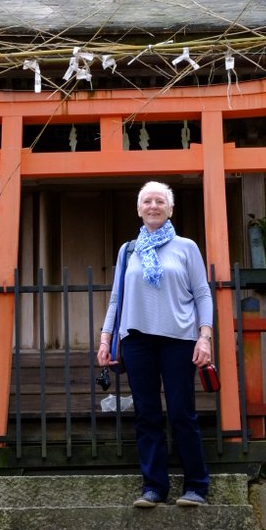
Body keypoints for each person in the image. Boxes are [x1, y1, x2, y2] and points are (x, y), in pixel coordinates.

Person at [97, 181, 213, 508]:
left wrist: (205, 337)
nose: (153, 206)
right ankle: (154, 487)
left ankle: (196, 487)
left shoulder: (186, 247)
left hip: (179, 339)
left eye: (160, 201)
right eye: (147, 201)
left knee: (181, 413)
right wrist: (106, 338)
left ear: (170, 209)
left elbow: (202, 293)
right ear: (138, 209)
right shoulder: (128, 251)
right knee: (146, 414)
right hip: (137, 341)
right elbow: (116, 298)